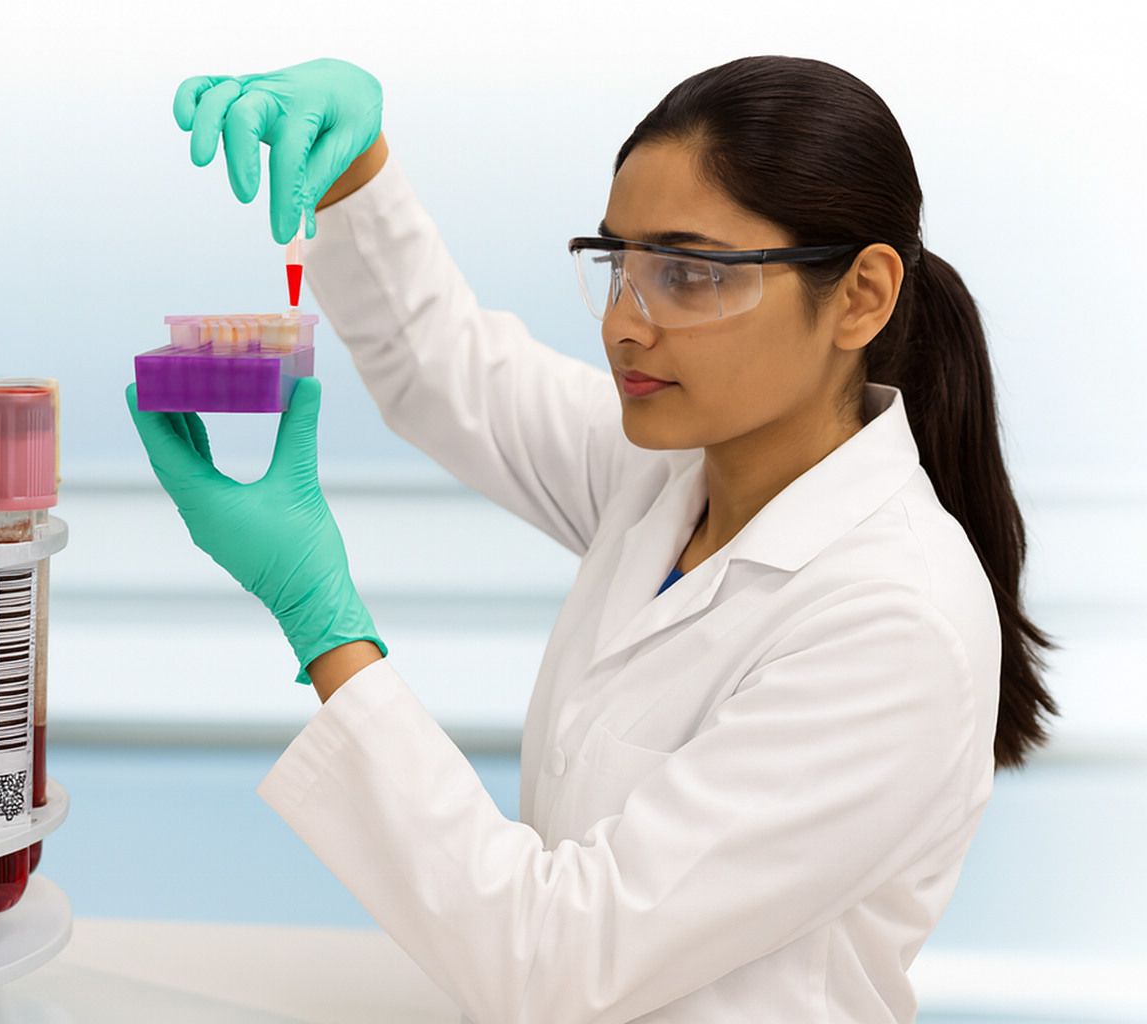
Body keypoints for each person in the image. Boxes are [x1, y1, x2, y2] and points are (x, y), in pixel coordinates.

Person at [127, 56, 1056, 1024]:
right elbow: (445, 372)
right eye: (620, 263)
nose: (624, 323)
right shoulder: (670, 476)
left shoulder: (894, 621)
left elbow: (556, 960)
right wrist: (359, 171)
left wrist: (322, 623)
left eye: (691, 273)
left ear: (861, 296)